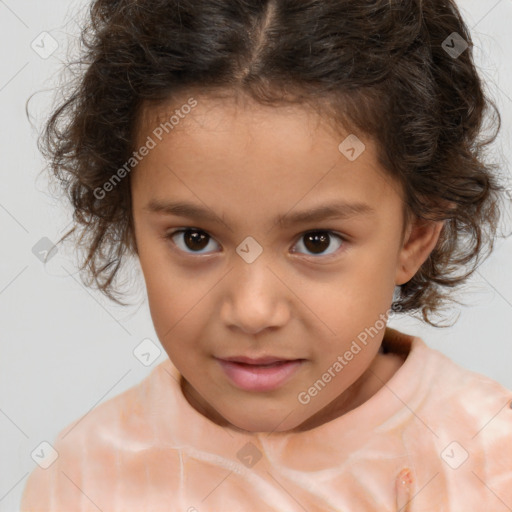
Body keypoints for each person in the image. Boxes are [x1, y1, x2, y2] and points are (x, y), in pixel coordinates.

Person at [20, 0, 512, 510]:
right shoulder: (84, 478)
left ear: (415, 234)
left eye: (317, 241)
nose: (252, 310)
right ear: (129, 225)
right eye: (195, 238)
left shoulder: (485, 461)